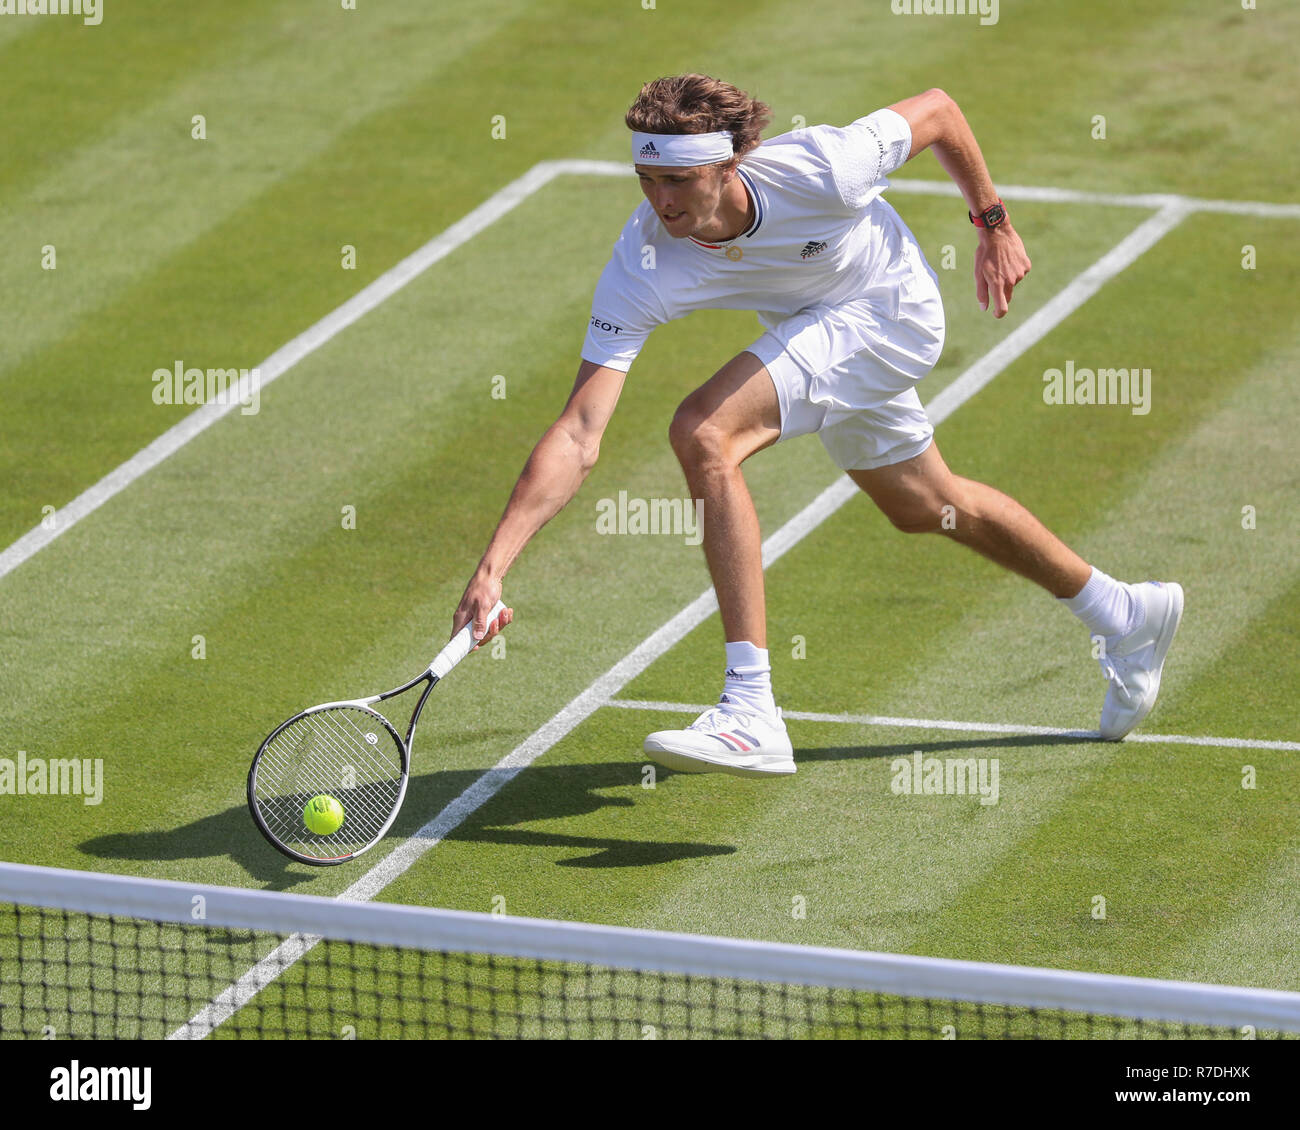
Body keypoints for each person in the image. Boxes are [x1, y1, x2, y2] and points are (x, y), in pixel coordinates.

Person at [454, 74, 1182, 778]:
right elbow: (581, 431)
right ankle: (1124, 613)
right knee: (925, 506)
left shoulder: (823, 168)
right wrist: (493, 569)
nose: (662, 201)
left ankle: (751, 709)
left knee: (705, 431)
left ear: (731, 160)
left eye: (680, 181)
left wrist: (993, 224)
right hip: (814, 326)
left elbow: (939, 111)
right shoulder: (642, 261)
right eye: (648, 180)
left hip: (890, 312)